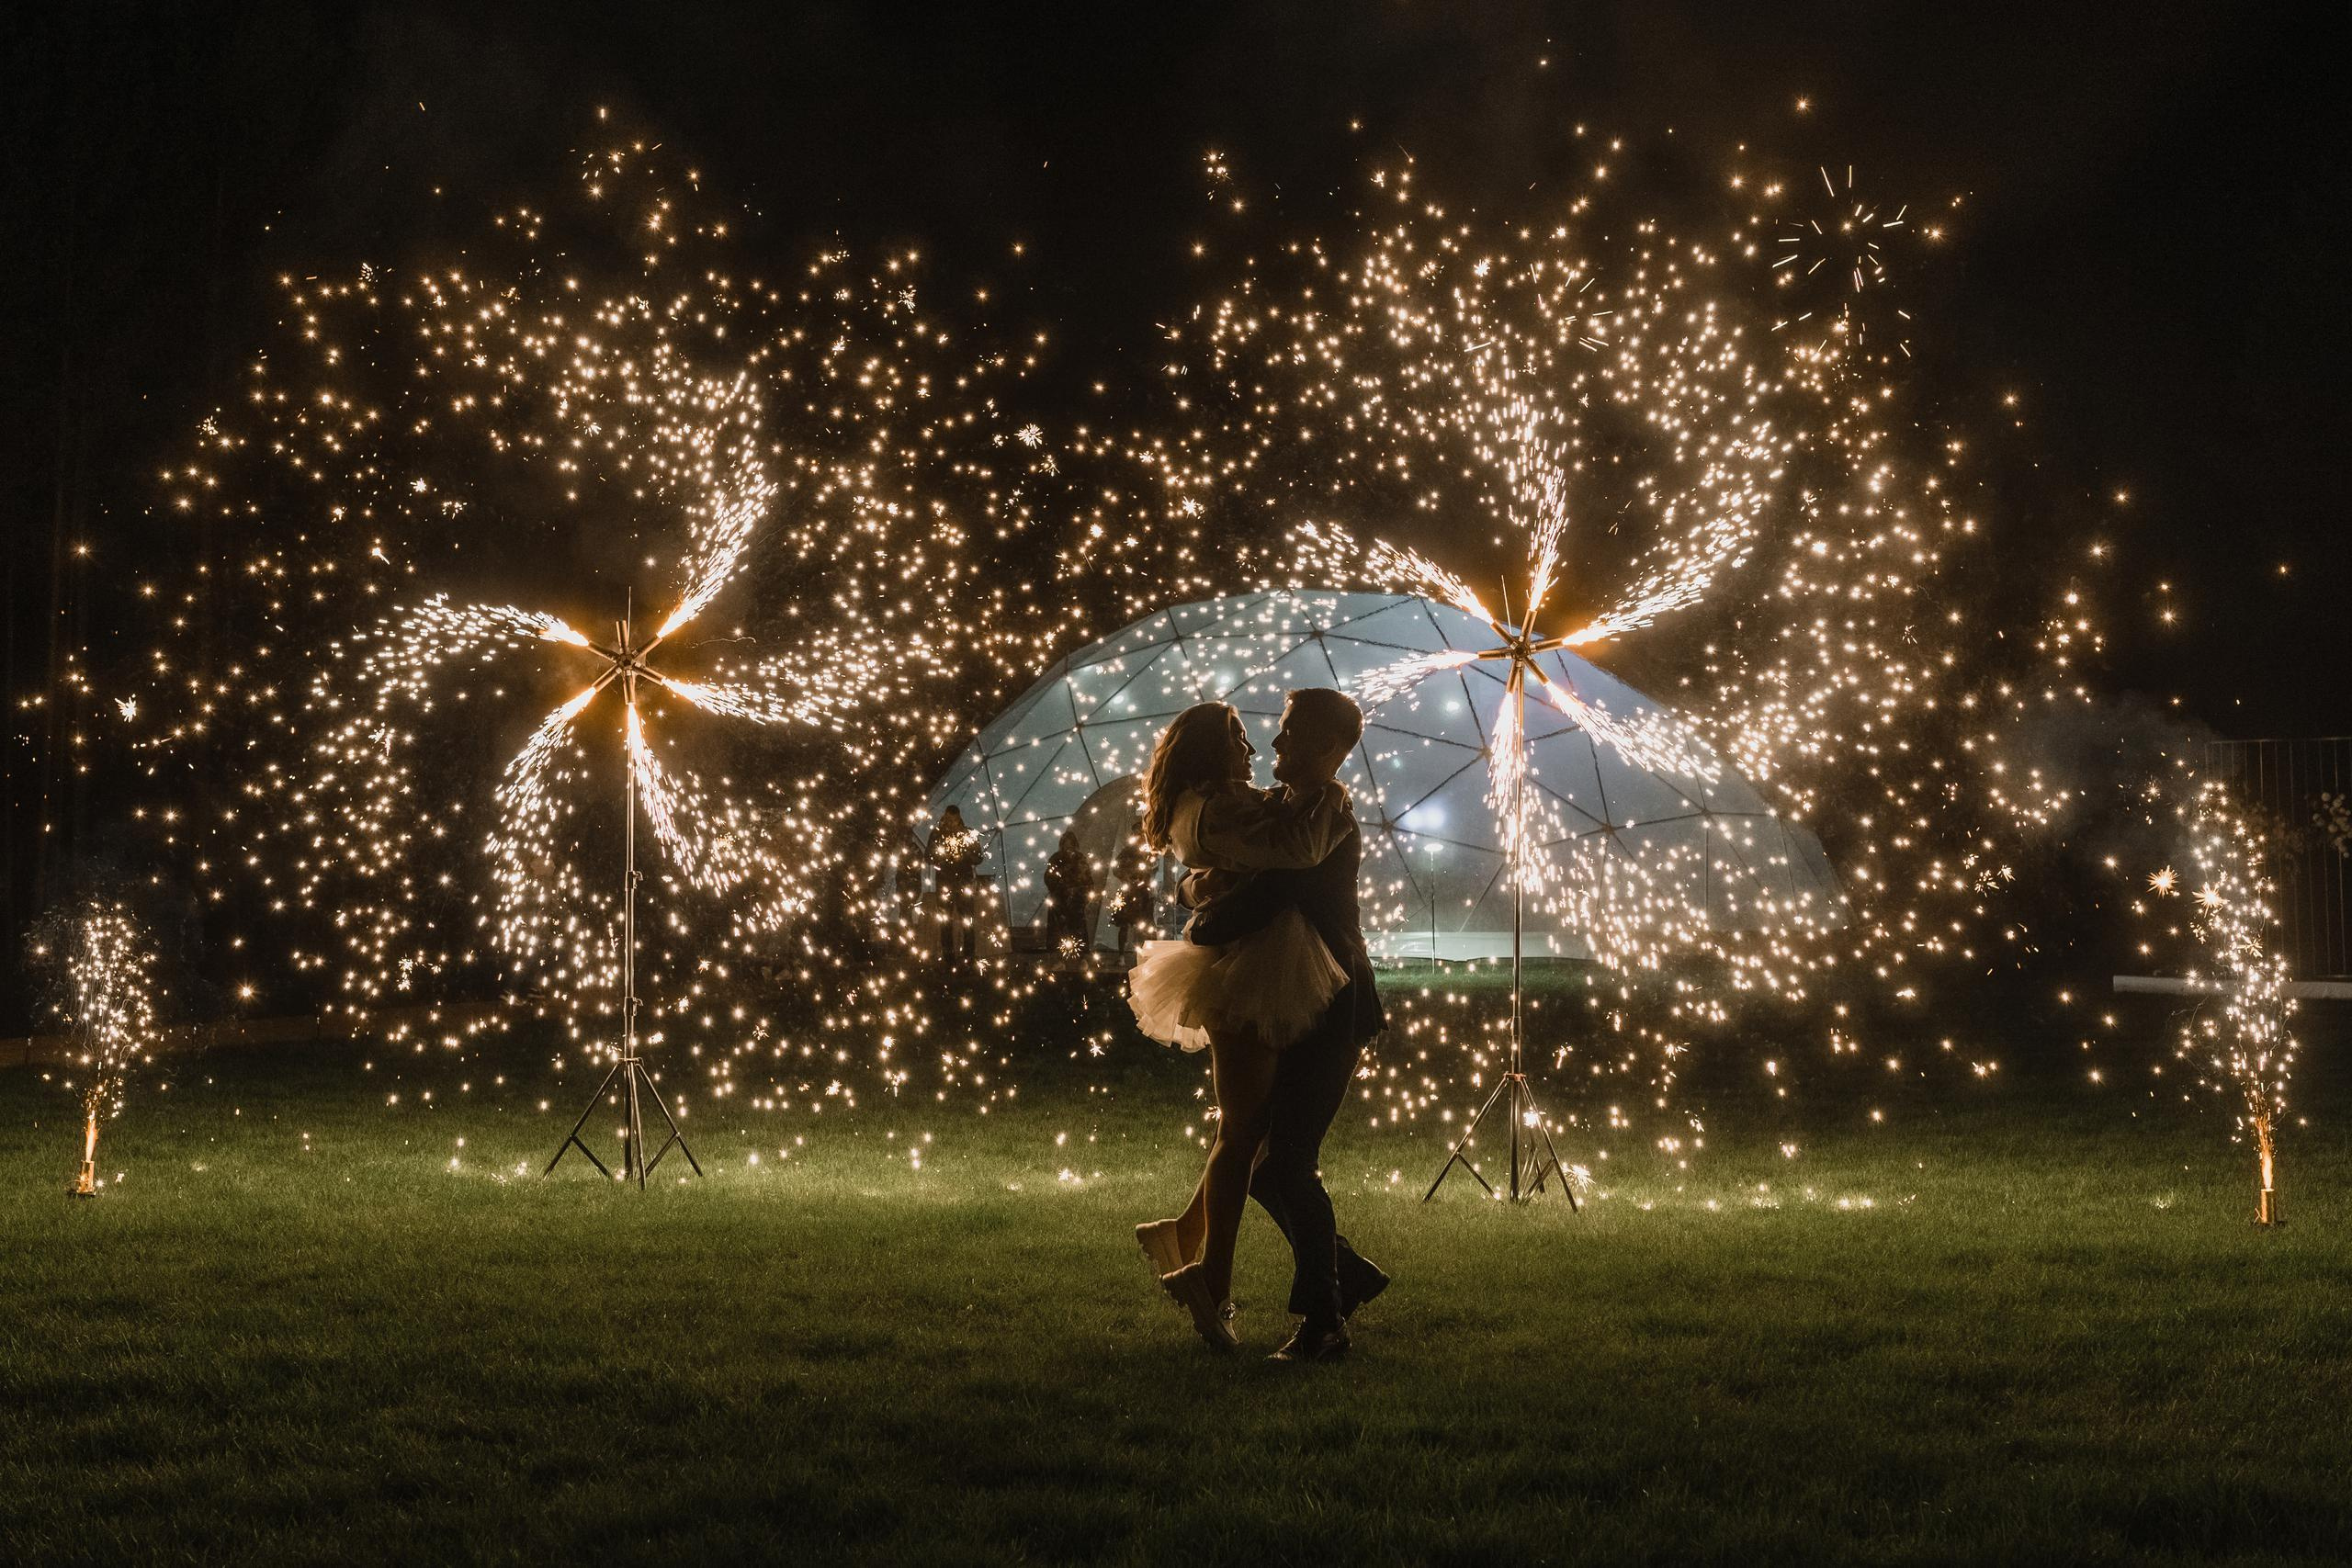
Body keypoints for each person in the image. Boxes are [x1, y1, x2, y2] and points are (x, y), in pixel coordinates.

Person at [1137, 688, 1389, 1364]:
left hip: (1336, 1002)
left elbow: (1267, 891)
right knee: (1266, 1156)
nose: (1271, 747)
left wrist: (1199, 906)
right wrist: (1199, 886)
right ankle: (1337, 1282)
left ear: (1327, 748)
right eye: (1268, 736)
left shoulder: (1322, 811)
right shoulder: (1283, 807)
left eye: (1284, 736)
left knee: (1282, 1160)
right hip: (1303, 1000)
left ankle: (1325, 1319)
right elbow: (1239, 871)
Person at [927, 806, 982, 969]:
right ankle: (948, 958)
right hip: (945, 883)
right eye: (948, 819)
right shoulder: (937, 834)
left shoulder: (968, 834)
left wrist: (965, 855)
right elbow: (928, 857)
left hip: (964, 883)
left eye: (954, 819)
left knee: (968, 921)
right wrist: (942, 856)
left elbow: (978, 858)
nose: (951, 823)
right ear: (945, 817)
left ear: (959, 818)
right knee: (945, 922)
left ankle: (969, 957)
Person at [1042, 828, 1099, 955]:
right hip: (1059, 900)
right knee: (1060, 928)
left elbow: (1086, 879)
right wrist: (1060, 887)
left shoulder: (1079, 858)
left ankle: (1079, 957)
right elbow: (1049, 877)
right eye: (1065, 845)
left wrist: (1080, 893)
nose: (1068, 848)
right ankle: (1060, 957)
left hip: (1076, 900)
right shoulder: (1056, 858)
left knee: (1076, 927)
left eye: (1070, 845)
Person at [1107, 820, 1157, 965]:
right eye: (1136, 832)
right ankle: (1122, 956)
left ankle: (1148, 956)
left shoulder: (1149, 850)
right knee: (1125, 924)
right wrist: (1127, 877)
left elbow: (1153, 867)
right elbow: (1116, 868)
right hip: (1129, 892)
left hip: (1144, 893)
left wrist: (1144, 877)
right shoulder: (1128, 850)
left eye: (1141, 832)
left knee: (1146, 926)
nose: (1139, 835)